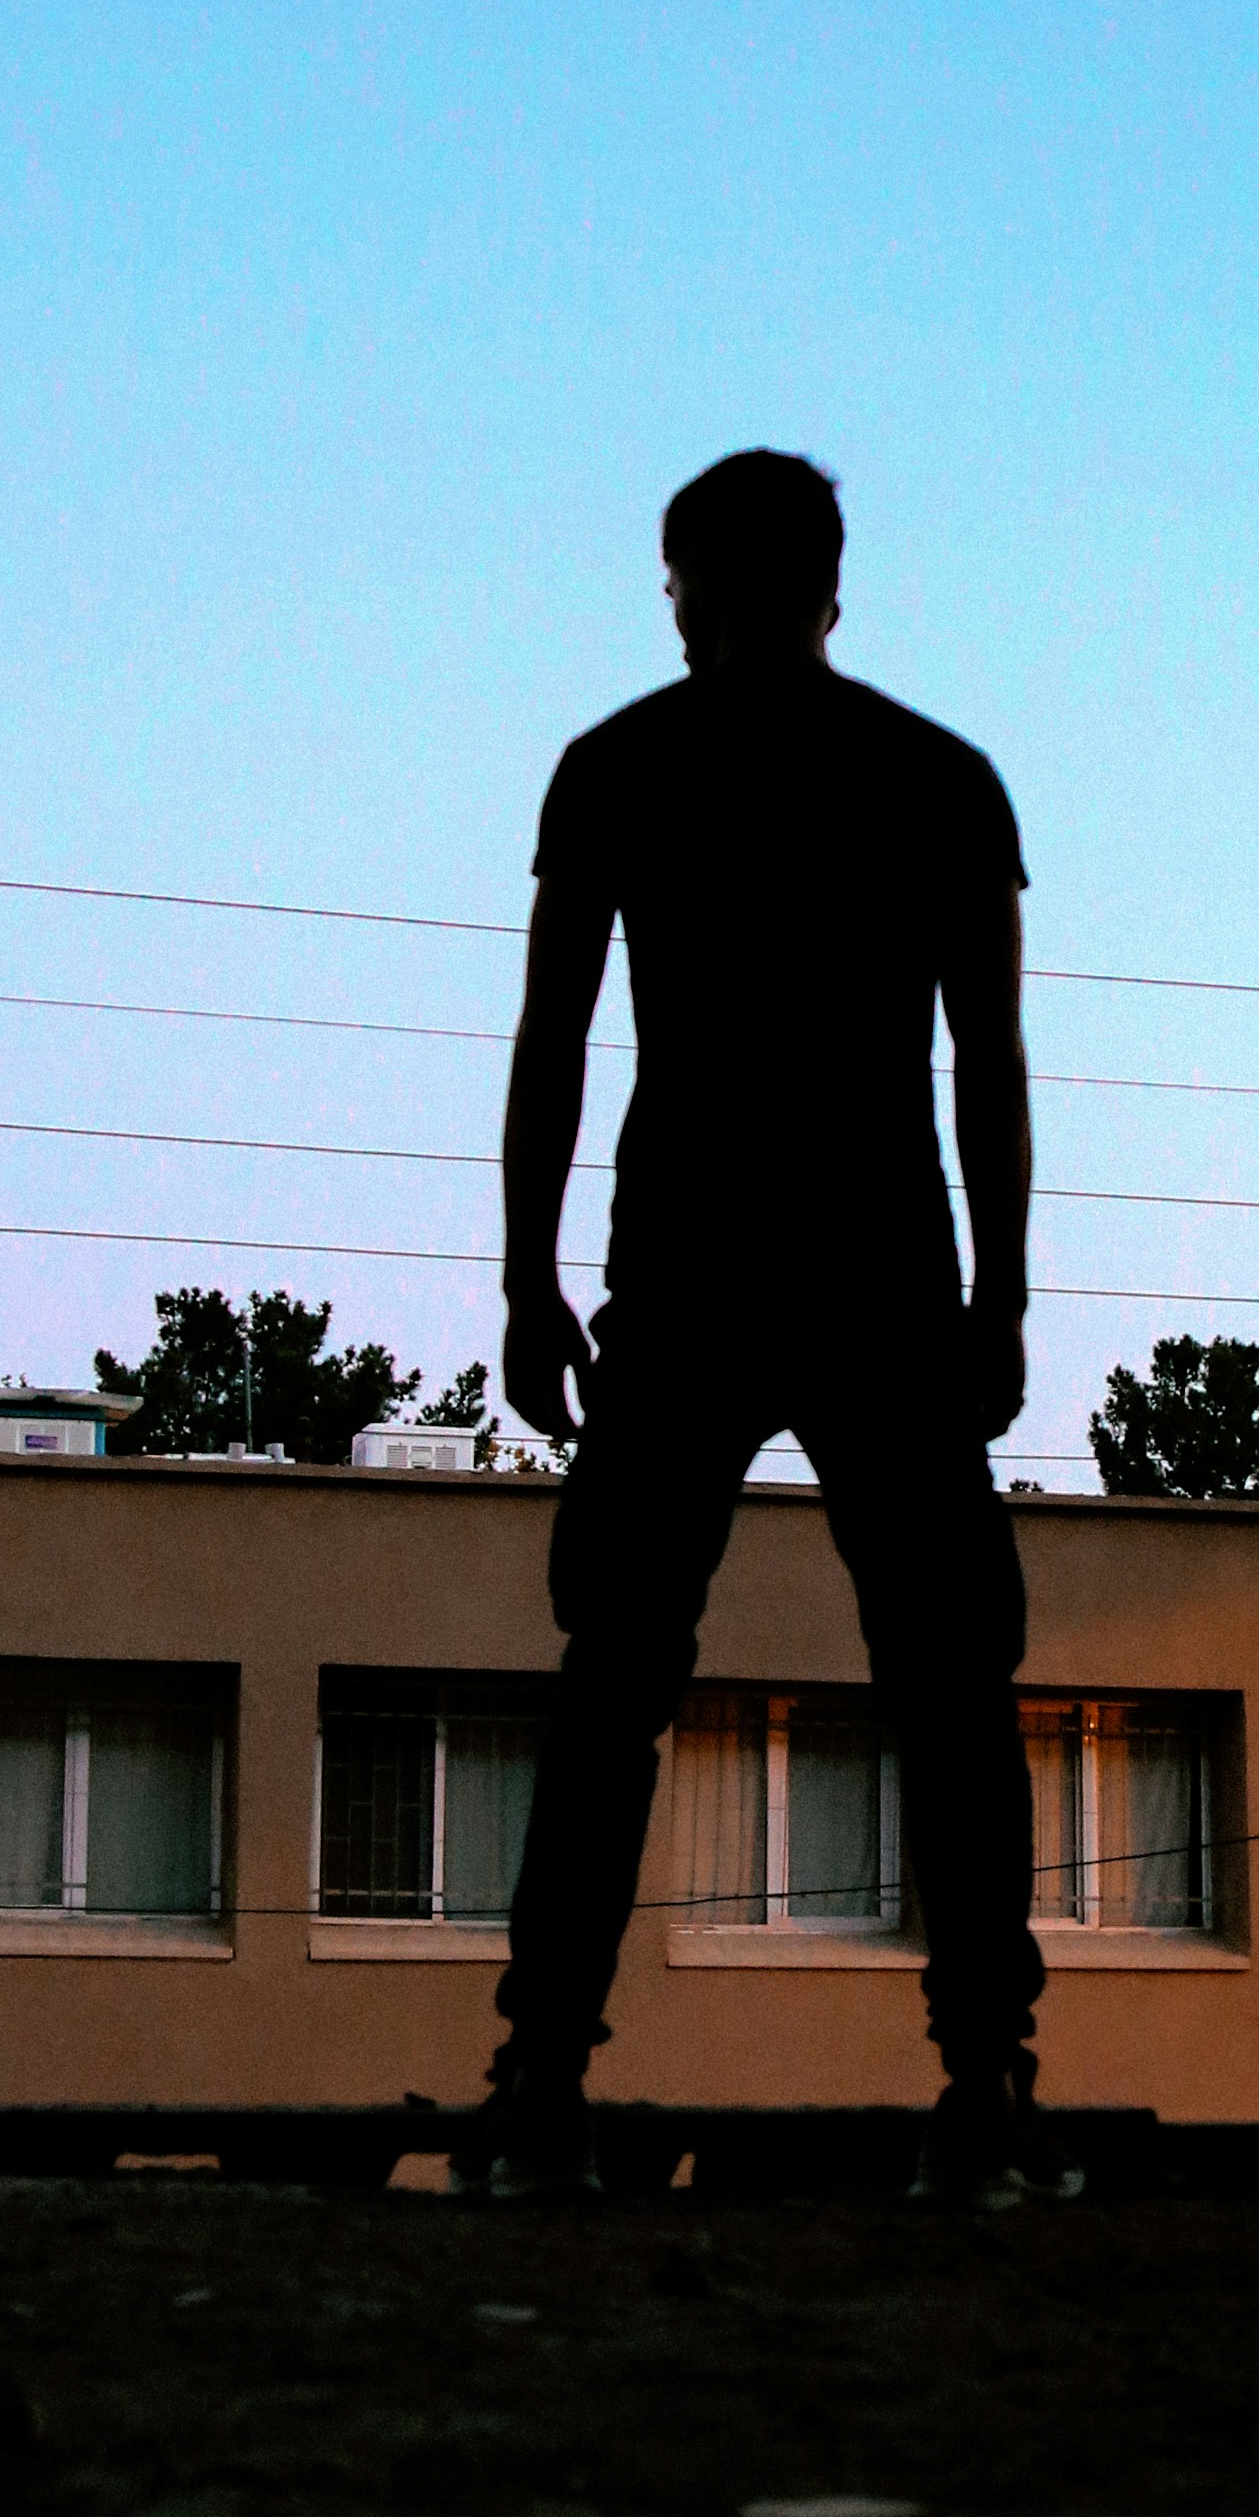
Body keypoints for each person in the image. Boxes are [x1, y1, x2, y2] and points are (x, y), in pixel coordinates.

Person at [465, 448, 1066, 2205]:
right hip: (884, 1279)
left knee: (615, 1680)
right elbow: (990, 1069)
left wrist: (528, 1278)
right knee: (951, 1679)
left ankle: (538, 2089)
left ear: (699, 586)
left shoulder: (621, 769)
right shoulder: (942, 781)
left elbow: (553, 1044)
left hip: (689, 1273)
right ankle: (991, 2093)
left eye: (673, 585)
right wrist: (1002, 1300)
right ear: (829, 583)